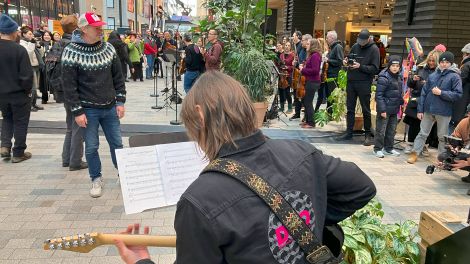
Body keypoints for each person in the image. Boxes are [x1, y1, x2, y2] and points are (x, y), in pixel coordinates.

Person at [114, 71, 376, 264]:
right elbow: (362, 187)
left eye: (192, 129)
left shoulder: (198, 201)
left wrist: (141, 262)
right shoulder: (300, 151)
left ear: (201, 115)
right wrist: (306, 218)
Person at [62, 12, 126, 198]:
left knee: (117, 144)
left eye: (101, 26)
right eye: (96, 27)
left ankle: (123, 174)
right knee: (91, 147)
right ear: (84, 29)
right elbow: (69, 86)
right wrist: (77, 111)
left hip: (110, 107)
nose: (101, 30)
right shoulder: (71, 51)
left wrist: (120, 101)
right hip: (87, 110)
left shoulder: (108, 48)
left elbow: (118, 77)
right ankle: (96, 178)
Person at [44, 15, 87, 171]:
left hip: (61, 91)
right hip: (74, 91)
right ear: (76, 28)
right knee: (78, 126)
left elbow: (47, 69)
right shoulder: (75, 46)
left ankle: (66, 158)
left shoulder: (56, 45)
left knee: (70, 125)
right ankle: (75, 160)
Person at [407, 51, 463, 164]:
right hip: (428, 110)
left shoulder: (455, 77)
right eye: (442, 62)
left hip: (444, 111)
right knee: (422, 133)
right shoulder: (433, 75)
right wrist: (420, 110)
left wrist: (441, 93)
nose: (444, 64)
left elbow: (458, 94)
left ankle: (441, 159)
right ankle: (414, 154)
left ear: (451, 63)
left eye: (447, 62)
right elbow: (423, 93)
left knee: (442, 137)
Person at [336, 29, 380, 146]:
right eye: (359, 40)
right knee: (350, 108)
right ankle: (349, 132)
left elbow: (375, 69)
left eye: (363, 41)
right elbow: (351, 58)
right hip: (351, 81)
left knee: (366, 109)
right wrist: (347, 61)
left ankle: (367, 135)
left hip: (364, 82)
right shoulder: (355, 46)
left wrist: (360, 66)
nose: (360, 43)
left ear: (368, 39)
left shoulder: (374, 49)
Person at [0, 14, 33, 163]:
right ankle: (18, 152)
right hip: (19, 94)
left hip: (2, 94)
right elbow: (26, 75)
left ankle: (5, 146)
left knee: (7, 118)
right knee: (20, 122)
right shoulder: (19, 50)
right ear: (12, 31)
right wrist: (28, 91)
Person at [403, 50, 441, 155]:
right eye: (430, 60)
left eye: (433, 61)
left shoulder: (439, 72)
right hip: (417, 99)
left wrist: (427, 84)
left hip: (430, 101)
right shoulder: (420, 68)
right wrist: (414, 80)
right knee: (414, 123)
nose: (431, 63)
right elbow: (410, 84)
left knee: (427, 124)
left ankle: (424, 145)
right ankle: (410, 144)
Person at [373, 55, 404, 158]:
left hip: (394, 109)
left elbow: (398, 93)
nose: (395, 68)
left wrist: (401, 103)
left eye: (397, 66)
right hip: (385, 109)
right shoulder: (384, 77)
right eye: (393, 65)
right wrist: (382, 109)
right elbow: (379, 95)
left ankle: (389, 148)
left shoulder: (399, 77)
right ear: (389, 66)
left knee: (392, 130)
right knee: (381, 130)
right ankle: (377, 149)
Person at [20, 26, 44, 112]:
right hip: (29, 66)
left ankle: (34, 103)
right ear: (24, 34)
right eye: (29, 34)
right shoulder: (22, 43)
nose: (31, 35)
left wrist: (39, 46)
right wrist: (32, 43)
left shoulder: (31, 42)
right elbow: (28, 54)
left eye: (32, 34)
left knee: (36, 86)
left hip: (36, 65)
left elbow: (41, 54)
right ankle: (29, 105)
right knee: (32, 87)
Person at [299, 38, 322, 128]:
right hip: (309, 80)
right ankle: (308, 121)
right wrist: (304, 65)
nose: (306, 45)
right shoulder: (312, 55)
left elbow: (315, 70)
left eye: (308, 44)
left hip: (313, 81)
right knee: (305, 101)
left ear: (312, 45)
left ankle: (311, 123)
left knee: (308, 102)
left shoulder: (315, 55)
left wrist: (303, 69)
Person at [448, 104, 470, 195]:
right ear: (468, 113)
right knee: (444, 156)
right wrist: (454, 148)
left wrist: (468, 162)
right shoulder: (464, 122)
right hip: (466, 150)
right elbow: (455, 137)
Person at [324, 30, 344, 116]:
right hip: (329, 74)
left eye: (327, 37)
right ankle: (329, 112)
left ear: (332, 38)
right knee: (329, 95)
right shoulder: (332, 47)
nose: (326, 39)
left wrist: (328, 60)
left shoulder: (338, 47)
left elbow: (340, 61)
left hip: (334, 75)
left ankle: (332, 113)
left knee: (332, 95)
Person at [451, 43, 470, 128]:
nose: (462, 55)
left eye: (463, 53)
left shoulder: (466, 65)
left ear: (467, 54)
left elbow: (461, 81)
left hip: (464, 96)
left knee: (458, 121)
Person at [279, 41, 294, 113]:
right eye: (286, 45)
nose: (287, 47)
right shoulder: (281, 55)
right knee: (281, 91)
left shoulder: (292, 55)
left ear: (290, 47)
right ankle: (281, 107)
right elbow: (279, 64)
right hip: (281, 75)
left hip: (288, 75)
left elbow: (293, 67)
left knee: (287, 92)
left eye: (288, 45)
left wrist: (287, 67)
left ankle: (290, 107)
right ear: (284, 46)